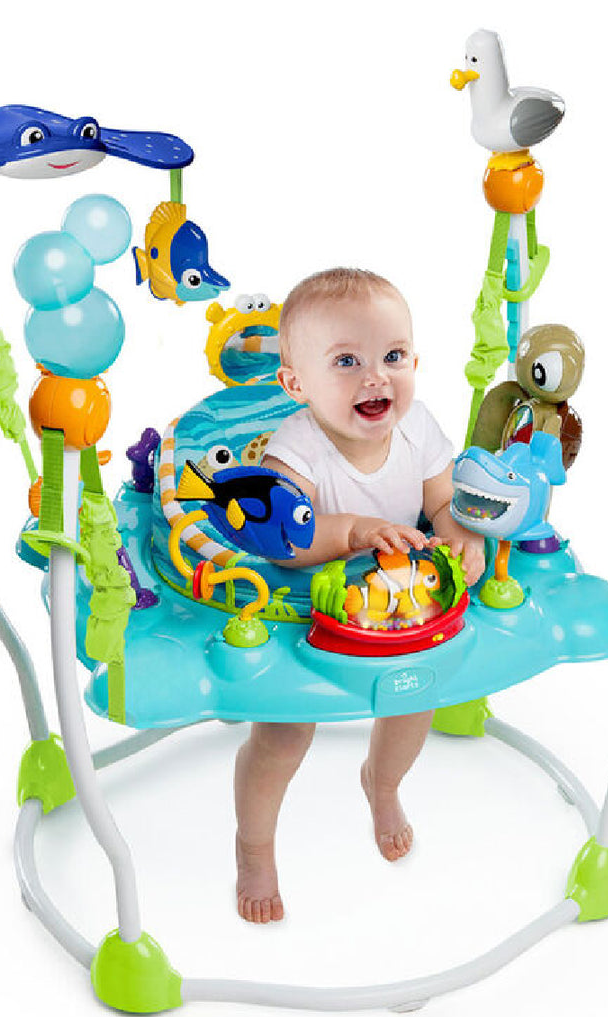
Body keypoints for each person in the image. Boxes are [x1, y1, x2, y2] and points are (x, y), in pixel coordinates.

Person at [233, 268, 486, 923]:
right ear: (297, 384)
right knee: (283, 736)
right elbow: (285, 541)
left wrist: (460, 537)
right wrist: (353, 532)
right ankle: (254, 847)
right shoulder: (296, 451)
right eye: (347, 361)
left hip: (394, 608)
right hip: (303, 616)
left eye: (393, 356)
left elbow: (442, 501)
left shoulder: (419, 427)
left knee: (415, 702)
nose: (377, 378)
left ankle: (383, 783)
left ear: (414, 362)